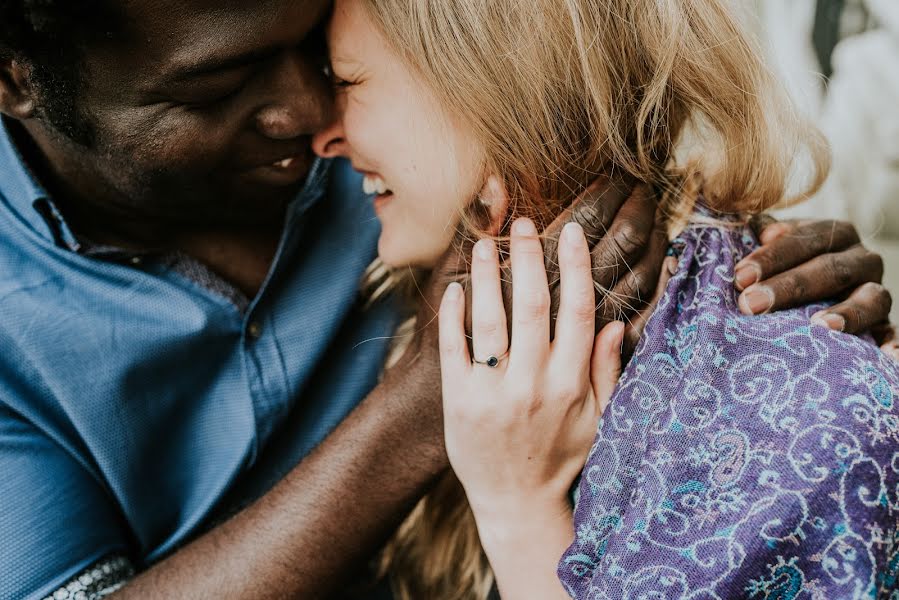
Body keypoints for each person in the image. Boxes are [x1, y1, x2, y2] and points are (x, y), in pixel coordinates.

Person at [0, 1, 891, 599]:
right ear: (15, 78)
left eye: (322, 61)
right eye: (215, 87)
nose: (308, 117)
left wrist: (777, 306)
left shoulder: (441, 181)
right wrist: (441, 404)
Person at [310, 0, 899, 598]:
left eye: (347, 81)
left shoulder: (774, 422)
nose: (324, 136)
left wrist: (517, 507)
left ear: (485, 94)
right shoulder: (406, 304)